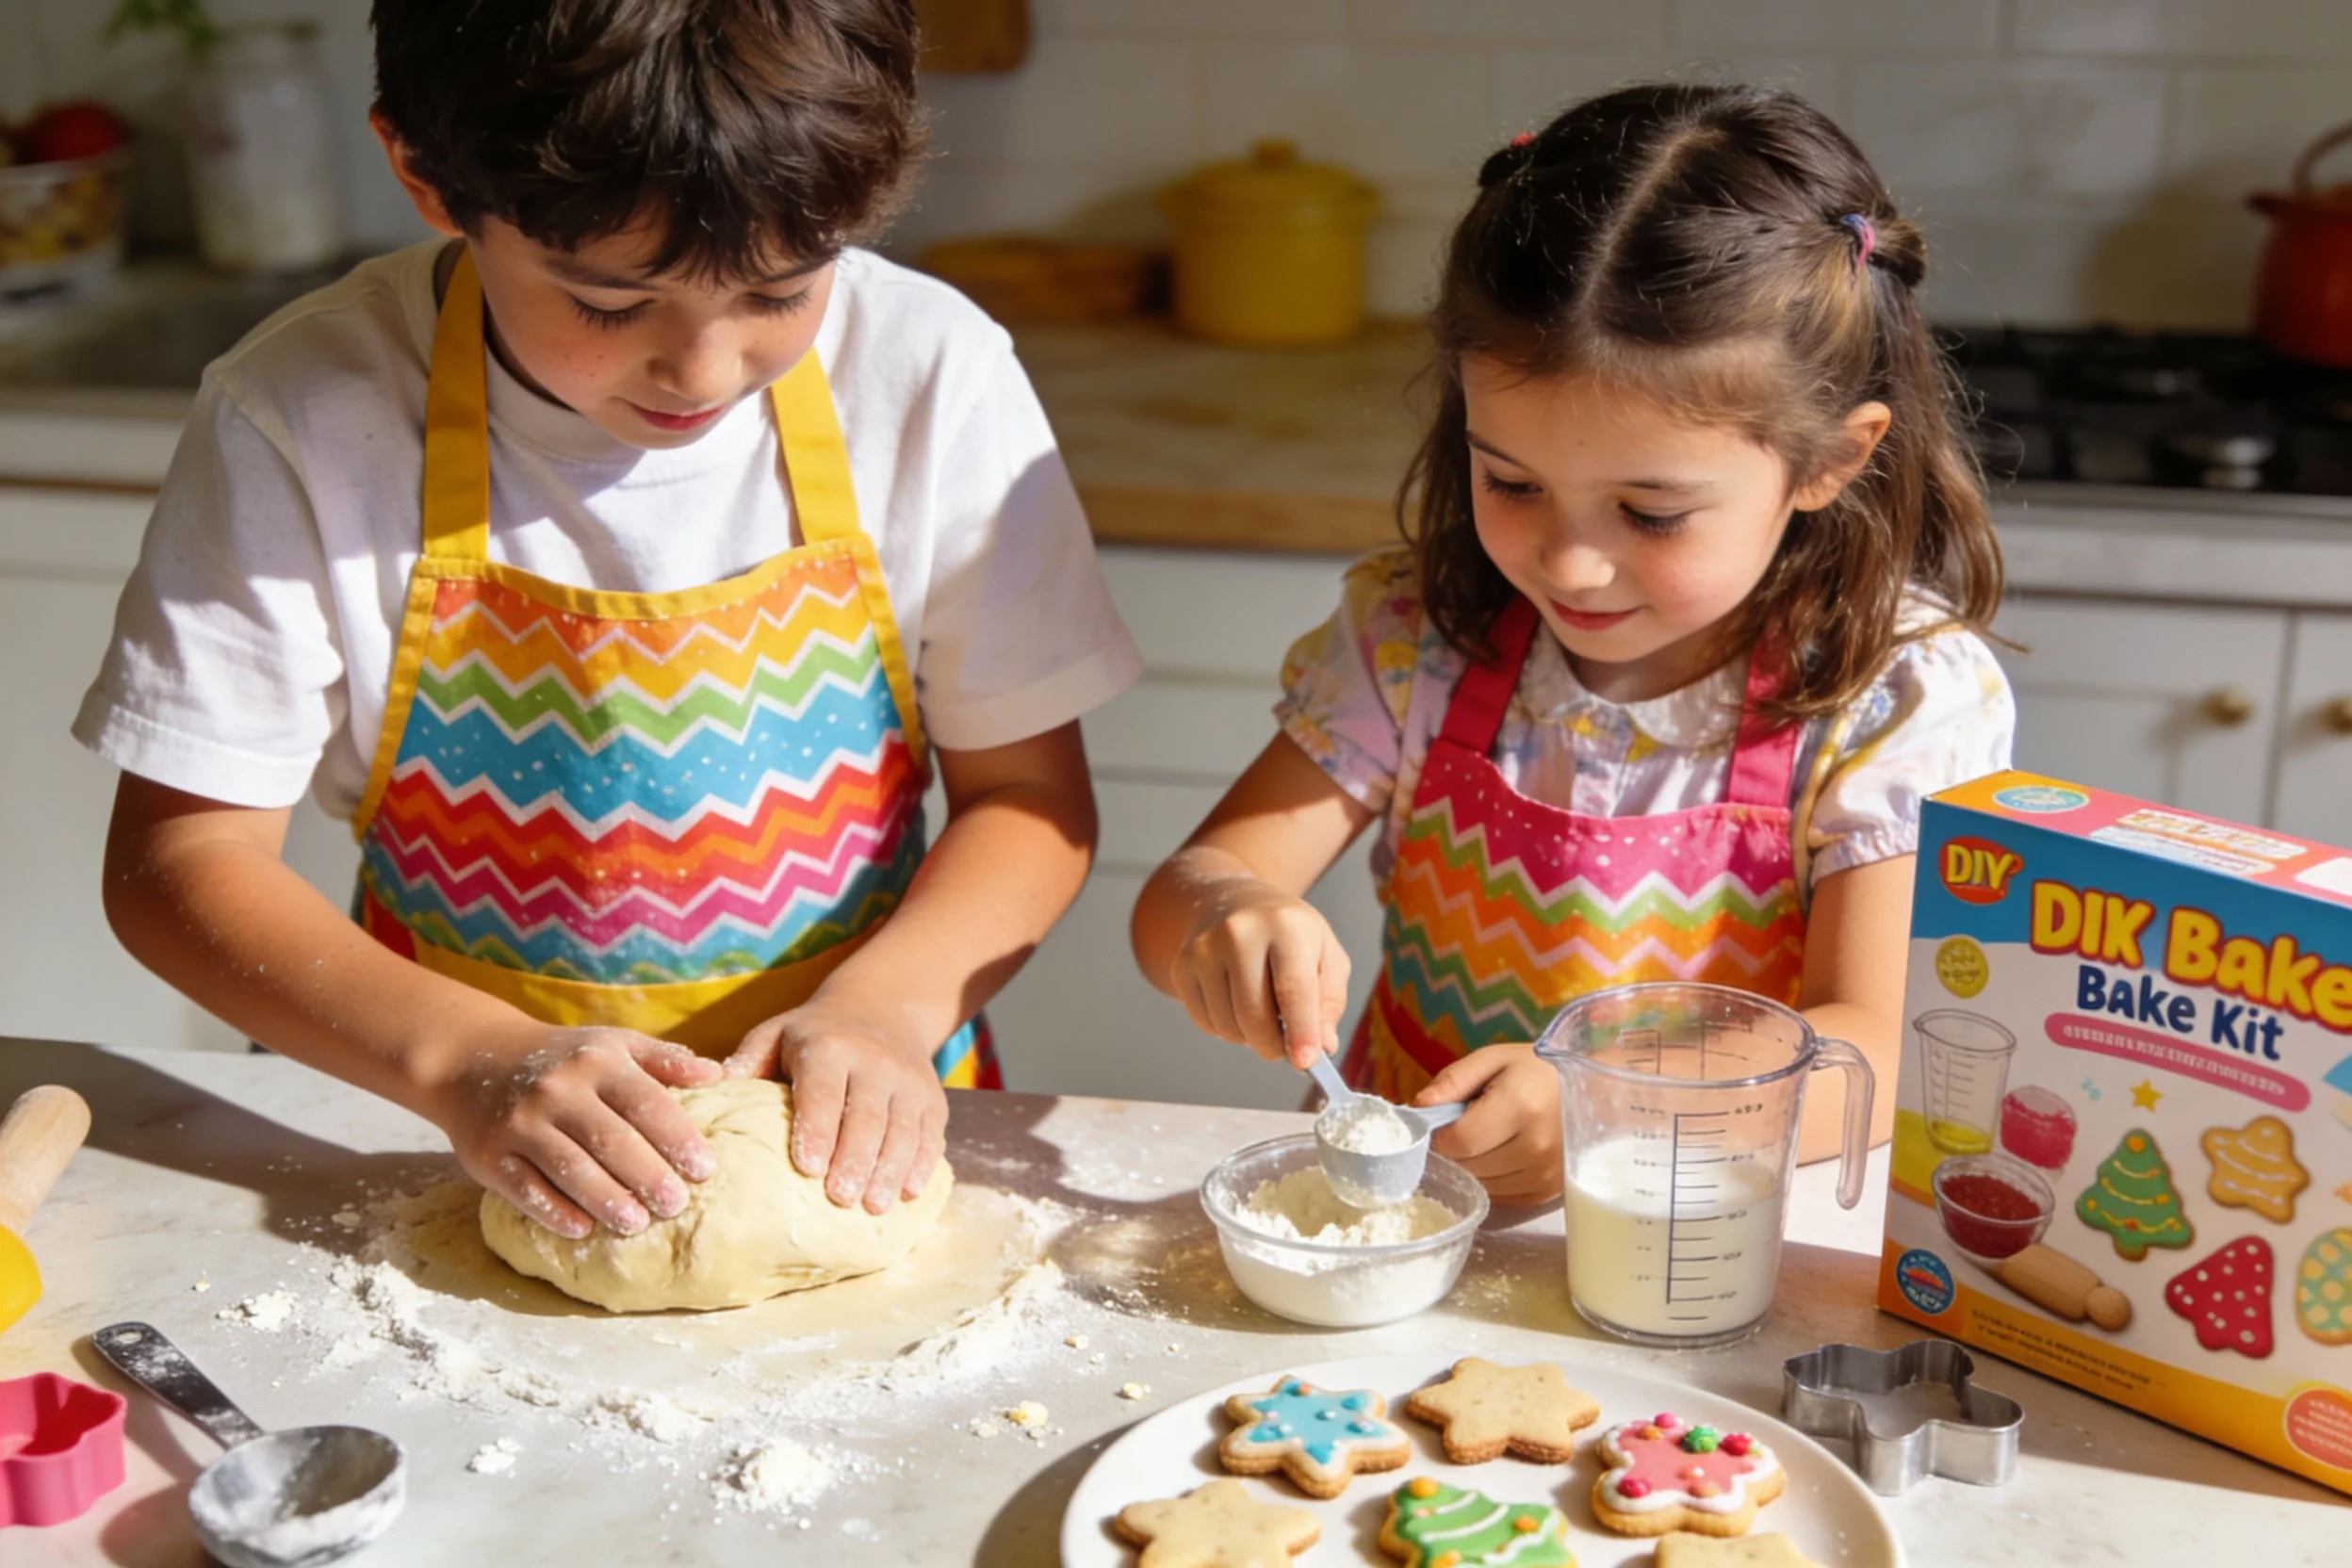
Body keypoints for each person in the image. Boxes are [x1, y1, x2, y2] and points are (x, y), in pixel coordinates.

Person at [77, 0, 1137, 1238]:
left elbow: (1028, 798)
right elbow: (177, 865)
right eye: (609, 304)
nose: (703, 368)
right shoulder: (308, 415)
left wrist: (888, 1010)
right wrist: (466, 1060)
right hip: (442, 1132)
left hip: (857, 1133)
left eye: (782, 289)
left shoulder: (927, 373)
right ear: (423, 171)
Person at [1131, 83, 2014, 1205]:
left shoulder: (1887, 695)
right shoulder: (1417, 640)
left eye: (1650, 512)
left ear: (1830, 461)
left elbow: (1873, 1054)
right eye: (1511, 480)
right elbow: (1178, 898)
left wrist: (1623, 1106)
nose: (1569, 563)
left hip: (1705, 1252)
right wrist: (1226, 912)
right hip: (1407, 1231)